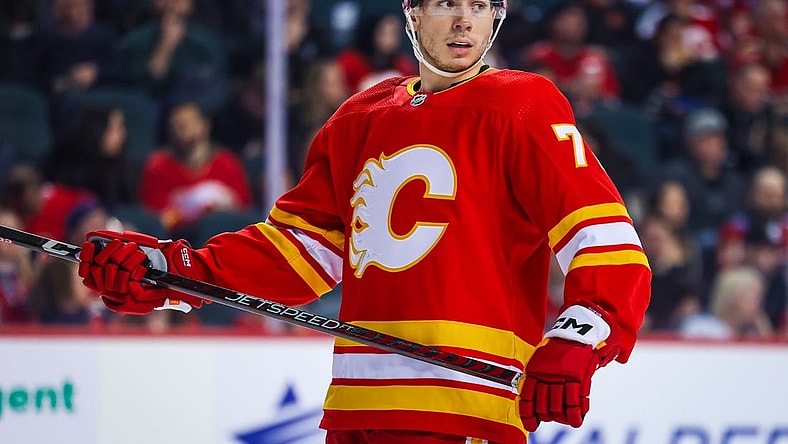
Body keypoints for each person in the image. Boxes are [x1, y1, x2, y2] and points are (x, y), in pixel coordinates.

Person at [76, 1, 652, 443]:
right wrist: (174, 272)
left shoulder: (523, 105)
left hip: (467, 412)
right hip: (358, 413)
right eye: (446, 3)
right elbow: (298, 253)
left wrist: (580, 336)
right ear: (411, 13)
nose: (463, 21)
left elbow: (607, 242)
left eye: (480, 6)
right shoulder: (360, 118)